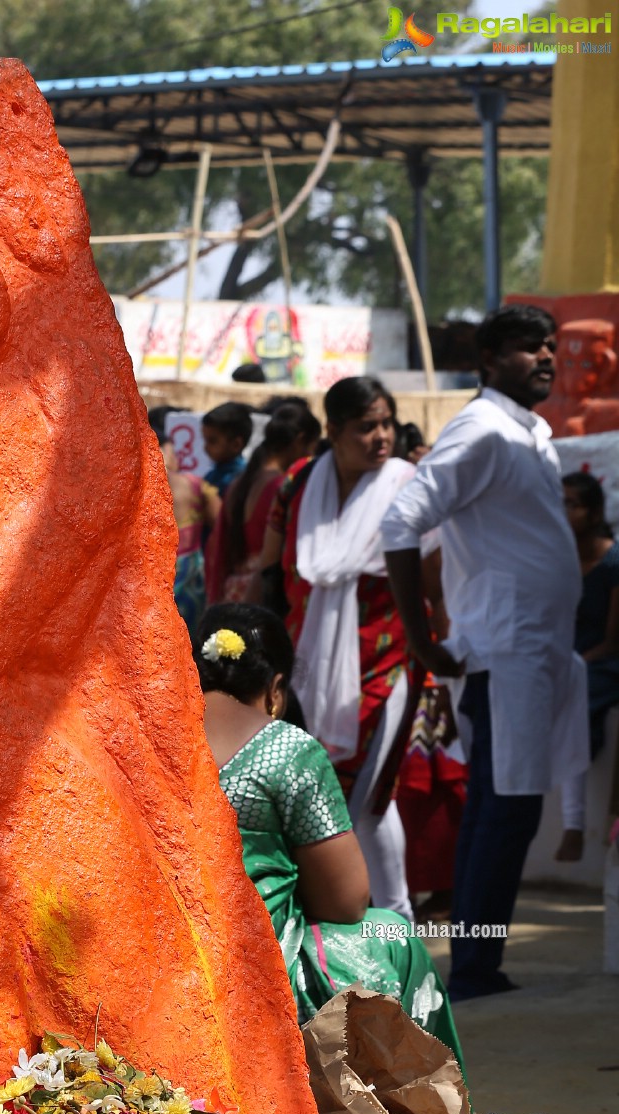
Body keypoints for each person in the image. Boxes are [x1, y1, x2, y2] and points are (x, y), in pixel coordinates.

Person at [381, 303, 589, 1000]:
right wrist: (420, 636)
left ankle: (475, 962)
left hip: (532, 651)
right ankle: (473, 968)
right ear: (490, 360)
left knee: (506, 810)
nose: (546, 356)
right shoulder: (481, 428)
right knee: (505, 811)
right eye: (528, 347)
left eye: (551, 345)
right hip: (506, 652)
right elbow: (404, 521)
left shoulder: (529, 431)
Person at [193, 603, 463, 1063]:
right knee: (394, 933)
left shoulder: (147, 737)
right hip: (250, 967)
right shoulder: (285, 750)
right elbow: (345, 901)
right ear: (276, 689)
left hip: (164, 954)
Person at [257, 375, 426, 921]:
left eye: (387, 423)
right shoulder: (300, 483)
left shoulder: (409, 485)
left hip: (389, 663)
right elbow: (270, 565)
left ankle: (398, 923)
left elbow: (437, 579)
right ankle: (329, 920)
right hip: (306, 668)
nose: (381, 436)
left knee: (372, 803)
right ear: (332, 431)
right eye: (365, 427)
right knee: (319, 799)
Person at [557, 470, 619, 861]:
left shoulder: (614, 563)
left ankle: (574, 826)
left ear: (594, 512)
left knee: (574, 705)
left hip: (603, 665)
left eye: (572, 504)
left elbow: (612, 641)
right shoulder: (558, 559)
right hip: (569, 661)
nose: (563, 513)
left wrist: (573, 665)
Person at [206, 400, 321, 605]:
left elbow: (218, 550)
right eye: (311, 449)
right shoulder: (282, 488)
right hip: (262, 598)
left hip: (231, 595)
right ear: (300, 441)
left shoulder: (239, 484)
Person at [155, 428, 208, 631]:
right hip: (187, 572)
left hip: (151, 572)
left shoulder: (126, 481)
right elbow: (219, 518)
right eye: (172, 452)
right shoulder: (195, 484)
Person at [199, 402, 254, 497]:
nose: (205, 447)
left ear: (236, 445)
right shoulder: (212, 476)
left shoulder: (240, 481)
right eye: (205, 440)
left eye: (212, 441)